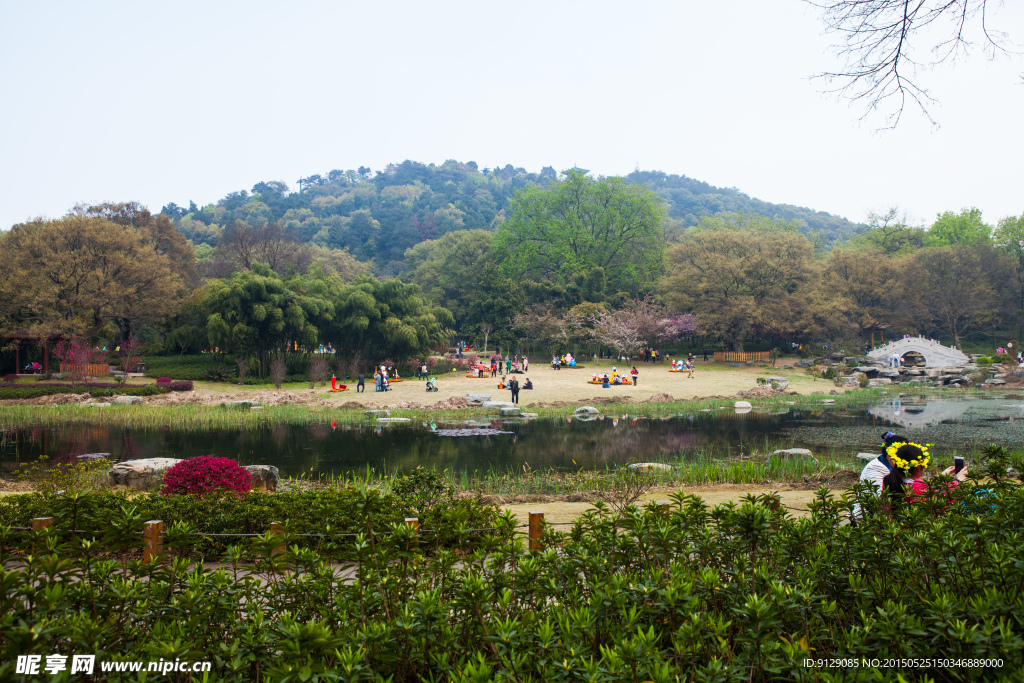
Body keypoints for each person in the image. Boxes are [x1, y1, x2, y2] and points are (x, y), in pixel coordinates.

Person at [881, 441, 968, 507]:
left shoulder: (888, 481)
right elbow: (946, 497)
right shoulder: (918, 488)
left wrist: (941, 477)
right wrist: (959, 481)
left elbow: (929, 487)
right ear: (918, 468)